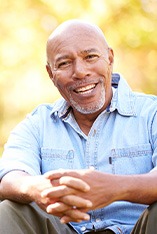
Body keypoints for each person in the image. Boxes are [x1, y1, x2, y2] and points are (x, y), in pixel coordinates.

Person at [0, 19, 157, 234]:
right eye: (64, 63)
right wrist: (39, 188)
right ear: (50, 73)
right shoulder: (38, 124)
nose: (80, 72)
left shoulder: (151, 113)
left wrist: (115, 187)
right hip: (65, 229)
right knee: (9, 210)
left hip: (138, 229)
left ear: (109, 59)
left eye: (90, 57)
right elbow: (9, 177)